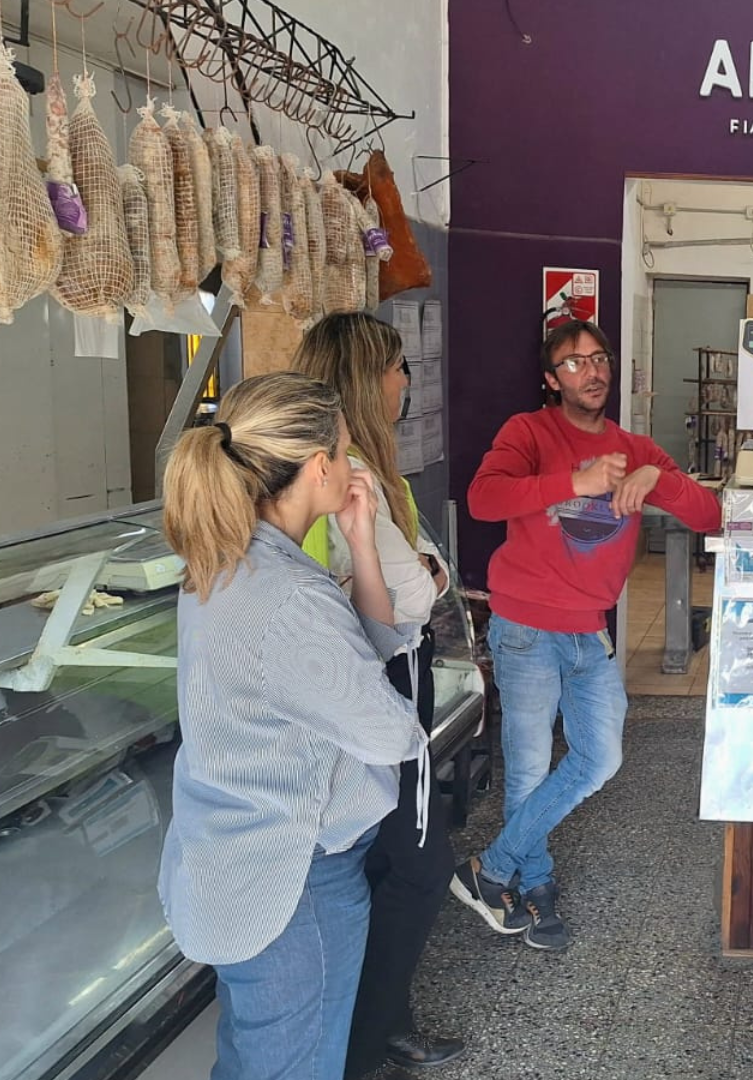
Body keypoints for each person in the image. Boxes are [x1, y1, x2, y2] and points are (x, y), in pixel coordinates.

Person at [158, 372, 427, 1080]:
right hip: (295, 880)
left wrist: (362, 546)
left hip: (234, 860)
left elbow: (363, 656)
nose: (352, 466)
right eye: (343, 452)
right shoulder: (289, 596)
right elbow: (387, 731)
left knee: (253, 1057)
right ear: (317, 467)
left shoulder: (224, 560)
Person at [451, 319, 721, 950]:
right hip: (526, 628)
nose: (592, 371)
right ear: (551, 380)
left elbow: (709, 514)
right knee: (529, 768)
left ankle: (488, 872)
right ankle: (535, 884)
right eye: (573, 364)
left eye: (598, 359)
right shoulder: (529, 432)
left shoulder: (634, 446)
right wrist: (578, 481)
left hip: (588, 632)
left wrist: (657, 478)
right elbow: (484, 499)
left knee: (600, 758)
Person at [290, 313, 463, 1076]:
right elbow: (415, 594)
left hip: (372, 675)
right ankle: (361, 1049)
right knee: (420, 868)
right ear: (367, 379)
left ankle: (385, 1022)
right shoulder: (350, 472)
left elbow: (427, 570)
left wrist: (425, 575)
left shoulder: (363, 471)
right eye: (397, 369)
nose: (404, 383)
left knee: (393, 862)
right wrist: (425, 577)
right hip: (383, 681)